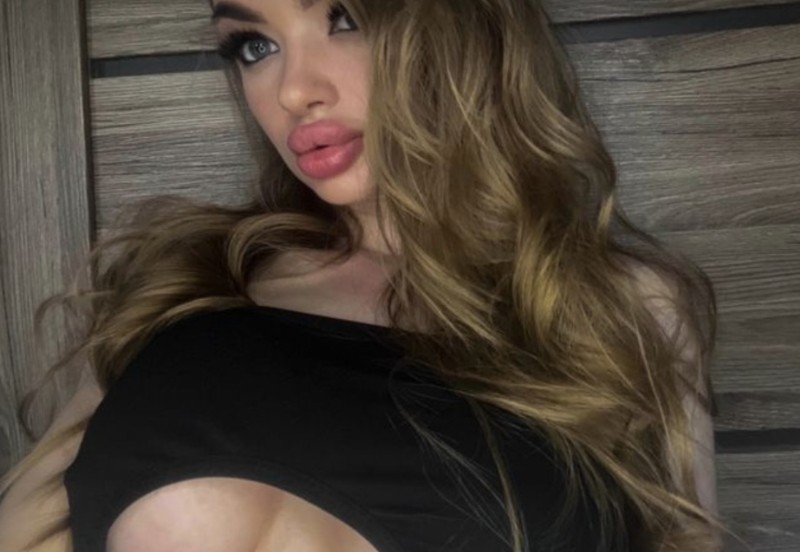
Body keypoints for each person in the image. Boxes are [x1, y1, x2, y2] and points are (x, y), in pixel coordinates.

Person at [0, 0, 731, 550]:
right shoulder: (179, 281)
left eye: (344, 17)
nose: (293, 91)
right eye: (254, 45)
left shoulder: (623, 310)